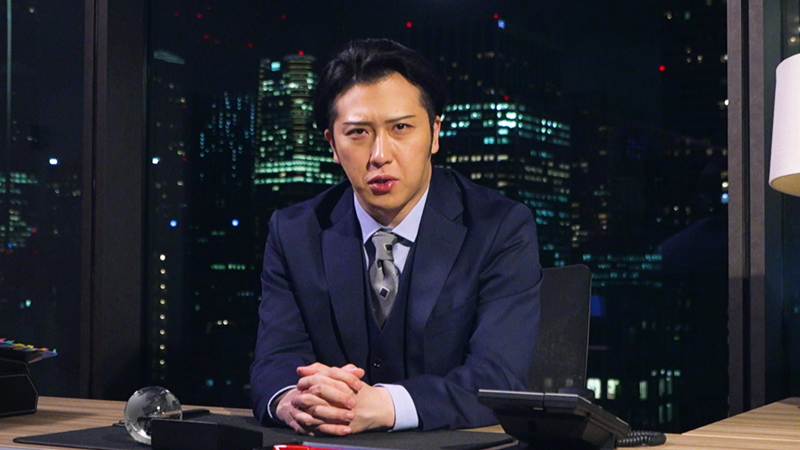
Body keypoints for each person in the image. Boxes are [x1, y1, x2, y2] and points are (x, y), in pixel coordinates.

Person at [250, 38, 542, 435]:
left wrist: (385, 405)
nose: (379, 155)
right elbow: (275, 360)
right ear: (332, 144)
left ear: (435, 133)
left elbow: (499, 377)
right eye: (358, 133)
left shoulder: (499, 227)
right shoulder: (294, 232)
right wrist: (293, 401)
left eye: (401, 128)